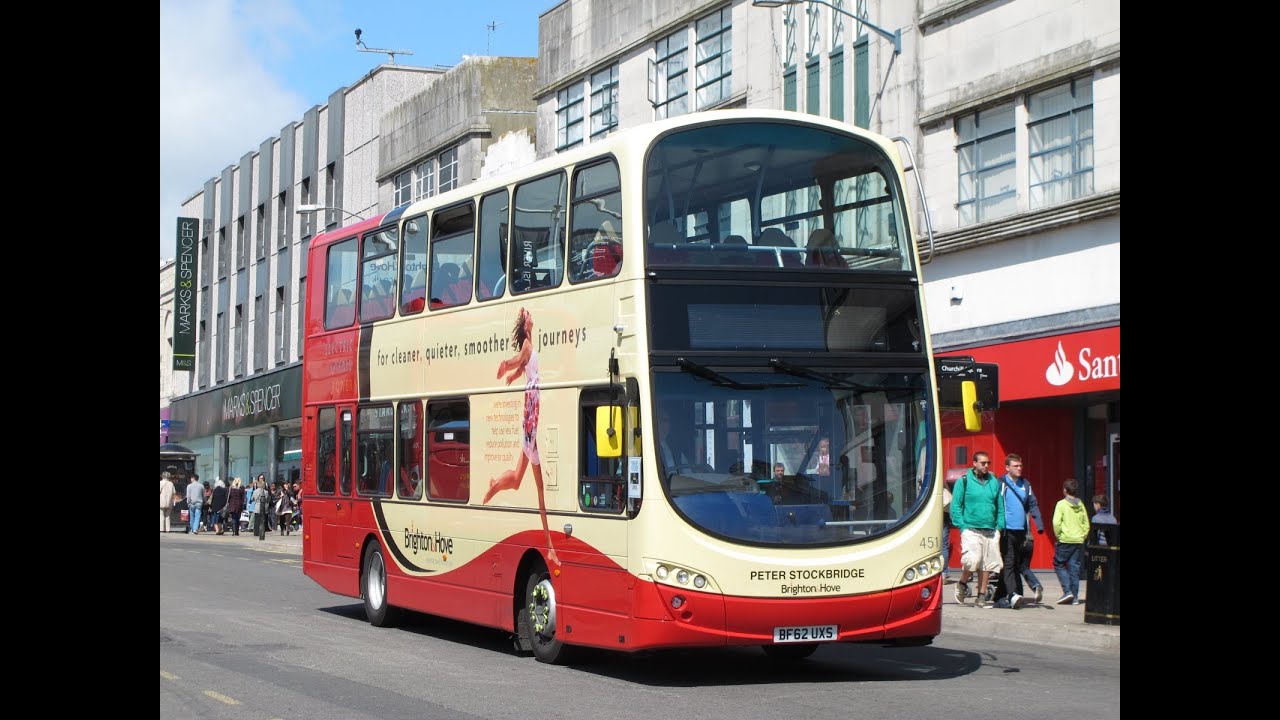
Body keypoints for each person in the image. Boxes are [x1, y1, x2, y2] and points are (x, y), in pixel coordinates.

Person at [481, 308, 558, 566]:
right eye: (528, 316)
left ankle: (550, 547)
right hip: (531, 417)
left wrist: (513, 374)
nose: (531, 316)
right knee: (522, 480)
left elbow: (522, 367)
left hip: (532, 416)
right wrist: (507, 365)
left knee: (530, 484)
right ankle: (494, 485)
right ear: (526, 325)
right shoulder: (527, 345)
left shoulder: (530, 344)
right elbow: (518, 360)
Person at [951, 452, 1005, 608]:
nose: (986, 466)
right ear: (974, 463)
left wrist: (999, 526)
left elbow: (1000, 505)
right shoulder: (964, 481)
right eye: (983, 463)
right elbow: (956, 505)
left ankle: (981, 596)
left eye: (988, 463)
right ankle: (962, 583)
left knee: (987, 564)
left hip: (991, 530)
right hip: (971, 528)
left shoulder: (993, 481)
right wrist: (962, 526)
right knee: (973, 560)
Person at [993, 453, 1046, 608]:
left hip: (1021, 531)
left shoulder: (1025, 484)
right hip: (1006, 530)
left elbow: (1033, 504)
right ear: (1007, 467)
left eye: (1020, 465)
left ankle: (999, 596)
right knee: (1009, 562)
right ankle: (1013, 595)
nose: (1019, 468)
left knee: (1014, 564)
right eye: (1015, 466)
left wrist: (1039, 524)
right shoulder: (1000, 484)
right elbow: (994, 504)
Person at [1051, 477, 1090, 605]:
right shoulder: (1080, 504)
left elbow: (1056, 523)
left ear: (1065, 490)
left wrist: (1059, 535)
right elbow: (1086, 523)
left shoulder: (1061, 504)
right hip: (1078, 540)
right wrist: (1082, 536)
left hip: (1065, 539)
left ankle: (1067, 591)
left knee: (1058, 564)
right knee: (1074, 567)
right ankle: (1075, 597)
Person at [657, 410, 690, 476]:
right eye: (662, 421)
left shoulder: (675, 447)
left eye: (667, 421)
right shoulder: (649, 447)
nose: (665, 425)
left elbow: (688, 472)